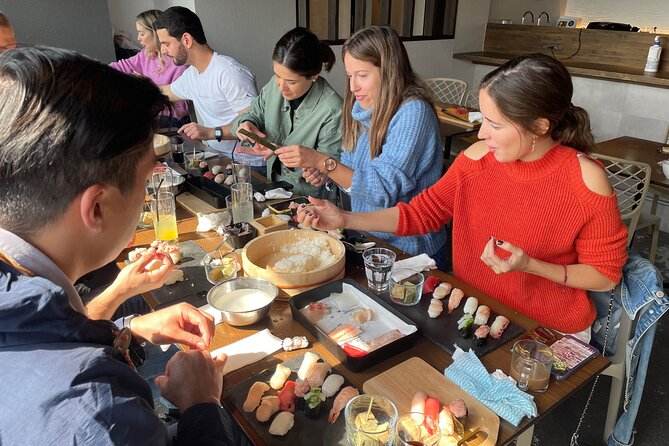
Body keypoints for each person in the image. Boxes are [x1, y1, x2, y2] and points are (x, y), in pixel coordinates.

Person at [296, 53, 628, 336]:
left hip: (545, 328)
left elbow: (604, 276)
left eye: (495, 125)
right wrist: (346, 218)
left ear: (540, 126)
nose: (482, 133)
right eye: (483, 119)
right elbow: (421, 214)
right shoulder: (477, 159)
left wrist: (531, 266)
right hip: (473, 307)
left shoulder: (585, 178)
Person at [0, 47, 236, 444]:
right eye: (146, 181)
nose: (147, 193)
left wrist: (125, 327)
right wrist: (201, 405)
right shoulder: (99, 417)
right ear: (97, 206)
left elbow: (46, 337)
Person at [275, 26, 446, 263]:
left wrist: (322, 161)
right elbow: (352, 171)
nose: (353, 86)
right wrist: (326, 173)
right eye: (349, 75)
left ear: (388, 71)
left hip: (411, 250)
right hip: (368, 237)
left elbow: (381, 191)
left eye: (362, 75)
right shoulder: (361, 108)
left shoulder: (413, 113)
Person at [232, 27, 343, 199]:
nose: (281, 86)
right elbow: (254, 114)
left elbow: (332, 166)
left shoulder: (333, 110)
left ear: (313, 75)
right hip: (273, 186)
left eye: (291, 81)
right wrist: (246, 125)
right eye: (277, 75)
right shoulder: (273, 86)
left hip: (310, 200)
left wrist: (320, 173)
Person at [153, 6, 260, 167]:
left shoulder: (230, 73)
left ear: (187, 40)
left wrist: (209, 132)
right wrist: (134, 88)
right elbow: (166, 92)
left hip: (251, 164)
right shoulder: (192, 75)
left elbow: (251, 127)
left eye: (166, 43)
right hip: (218, 157)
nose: (163, 51)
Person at [110, 9, 190, 128]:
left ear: (156, 33)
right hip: (151, 113)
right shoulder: (145, 55)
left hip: (173, 120)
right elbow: (120, 67)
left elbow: (182, 108)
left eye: (142, 33)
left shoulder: (179, 62)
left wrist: (147, 89)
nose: (138, 38)